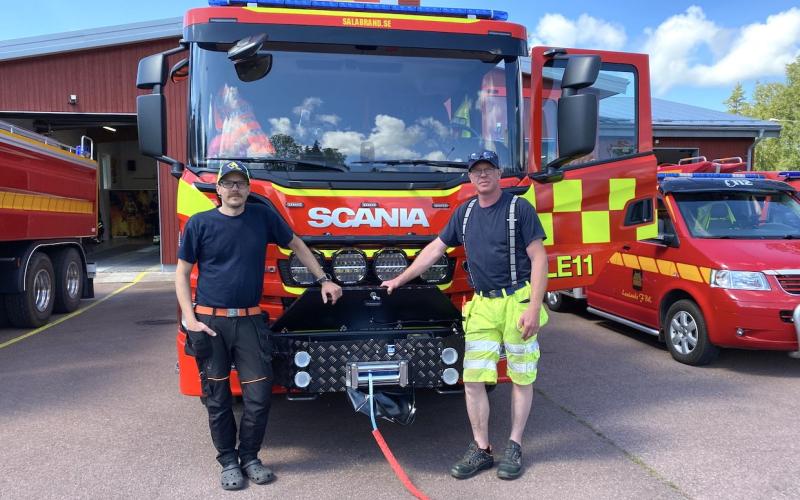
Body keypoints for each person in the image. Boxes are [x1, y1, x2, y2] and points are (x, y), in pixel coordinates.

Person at [381, 150, 548, 480]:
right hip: (482, 305)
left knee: (520, 376)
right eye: (476, 170)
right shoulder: (465, 212)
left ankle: (514, 445)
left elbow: (540, 259)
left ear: (499, 173)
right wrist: (400, 278)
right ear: (470, 177)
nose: (482, 175)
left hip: (517, 302)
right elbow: (435, 249)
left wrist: (533, 307)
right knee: (473, 380)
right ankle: (482, 449)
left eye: (488, 169)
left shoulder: (519, 209)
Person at [176, 160, 342, 490]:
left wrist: (324, 279)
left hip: (251, 320)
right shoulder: (199, 224)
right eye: (229, 183)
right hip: (211, 323)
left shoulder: (262, 217)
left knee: (259, 395)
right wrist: (190, 318)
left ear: (248, 189)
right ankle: (227, 461)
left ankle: (250, 457)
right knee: (218, 396)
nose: (235, 188)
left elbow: (296, 244)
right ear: (219, 189)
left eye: (241, 183)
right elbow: (181, 273)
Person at [208, 83, 276, 158]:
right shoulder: (217, 143)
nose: (245, 114)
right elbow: (214, 163)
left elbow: (268, 158)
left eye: (244, 109)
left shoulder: (257, 134)